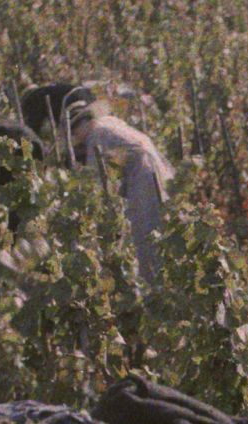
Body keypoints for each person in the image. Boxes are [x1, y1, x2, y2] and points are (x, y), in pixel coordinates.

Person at [63, 90, 175, 286]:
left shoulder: (97, 137)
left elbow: (97, 182)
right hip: (151, 170)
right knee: (157, 225)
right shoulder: (109, 123)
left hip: (142, 176)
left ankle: (153, 283)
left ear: (81, 126)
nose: (75, 136)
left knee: (144, 231)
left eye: (74, 131)